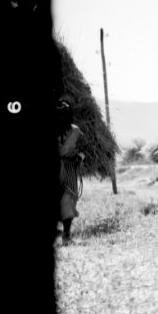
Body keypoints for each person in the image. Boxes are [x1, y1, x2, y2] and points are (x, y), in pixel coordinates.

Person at [57, 100, 85, 243]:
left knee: (68, 200)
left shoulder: (76, 132)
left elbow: (84, 150)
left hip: (69, 170)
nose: (61, 118)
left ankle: (66, 236)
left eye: (64, 115)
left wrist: (79, 158)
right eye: (58, 115)